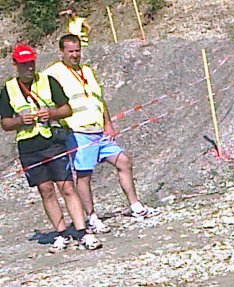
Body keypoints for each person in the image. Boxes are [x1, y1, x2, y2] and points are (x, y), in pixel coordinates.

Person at [43, 34, 158, 234]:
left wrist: (108, 123)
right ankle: (91, 217)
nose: (75, 55)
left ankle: (136, 206)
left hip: (99, 131)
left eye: (77, 50)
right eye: (70, 51)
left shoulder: (87, 70)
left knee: (124, 162)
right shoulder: (52, 74)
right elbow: (44, 101)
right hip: (78, 132)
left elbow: (99, 99)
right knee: (84, 176)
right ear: (61, 52)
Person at [0, 43, 100, 251]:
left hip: (52, 142)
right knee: (45, 190)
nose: (29, 67)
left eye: (31, 63)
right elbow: (6, 123)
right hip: (29, 147)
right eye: (24, 64)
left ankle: (82, 231)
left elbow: (67, 109)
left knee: (67, 186)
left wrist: (51, 114)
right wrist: (20, 121)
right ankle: (61, 233)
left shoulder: (48, 81)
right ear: (15, 64)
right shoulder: (8, 89)